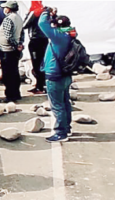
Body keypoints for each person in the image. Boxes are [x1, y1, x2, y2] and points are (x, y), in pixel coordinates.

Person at [39, 8, 75, 142]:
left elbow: (42, 24)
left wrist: (46, 11)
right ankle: (67, 128)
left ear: (57, 25)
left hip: (55, 74)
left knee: (57, 105)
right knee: (65, 102)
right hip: (65, 74)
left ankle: (60, 132)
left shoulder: (58, 37)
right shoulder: (69, 35)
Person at [0, 1, 24, 103]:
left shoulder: (8, 19)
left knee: (8, 74)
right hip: (13, 50)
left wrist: (15, 45)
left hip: (7, 50)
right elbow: (21, 33)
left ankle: (10, 96)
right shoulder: (19, 18)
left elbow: (8, 36)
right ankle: (16, 93)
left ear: (9, 9)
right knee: (14, 72)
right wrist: (19, 44)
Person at [23, 2, 47, 95]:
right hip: (45, 40)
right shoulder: (46, 12)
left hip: (35, 40)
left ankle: (39, 86)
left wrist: (28, 15)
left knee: (36, 64)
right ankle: (42, 85)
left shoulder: (35, 12)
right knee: (42, 63)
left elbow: (25, 24)